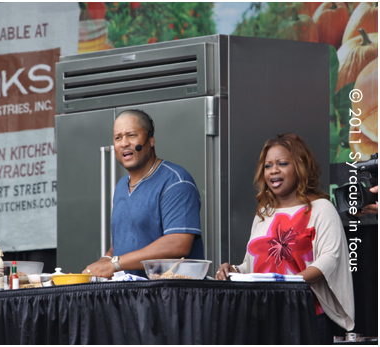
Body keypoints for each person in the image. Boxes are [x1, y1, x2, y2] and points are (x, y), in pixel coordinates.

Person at [215, 133, 354, 344]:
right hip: (262, 316)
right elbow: (252, 265)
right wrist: (233, 270)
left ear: (300, 167)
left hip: (307, 316)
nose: (273, 170)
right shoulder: (264, 212)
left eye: (282, 163)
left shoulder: (321, 208)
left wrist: (289, 285)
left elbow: (329, 259)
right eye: (268, 166)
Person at [83, 109, 204, 278]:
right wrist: (104, 260)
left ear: (150, 140)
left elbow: (177, 244)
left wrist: (114, 264)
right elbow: (124, 244)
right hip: (130, 295)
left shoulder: (176, 181)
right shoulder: (120, 186)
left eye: (131, 135)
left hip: (169, 297)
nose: (124, 143)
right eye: (118, 138)